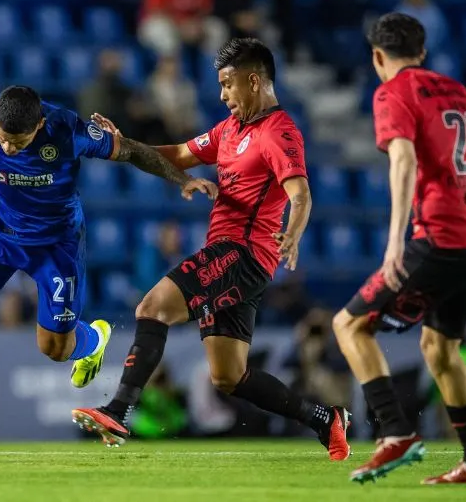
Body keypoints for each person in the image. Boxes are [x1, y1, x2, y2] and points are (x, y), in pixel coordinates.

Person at [0, 85, 218, 462]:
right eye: (3, 140)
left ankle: (93, 340)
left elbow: (132, 151)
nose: (9, 149)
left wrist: (183, 179)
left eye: (19, 142)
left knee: (54, 349)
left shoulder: (68, 130)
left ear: (40, 125)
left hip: (56, 245)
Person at [72, 38, 351, 462]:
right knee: (228, 375)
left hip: (241, 253)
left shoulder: (279, 132)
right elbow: (178, 154)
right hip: (237, 261)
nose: (221, 95)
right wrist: (122, 147)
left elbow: (301, 193)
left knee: (152, 308)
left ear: (253, 81)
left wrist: (293, 233)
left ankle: (118, 410)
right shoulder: (229, 130)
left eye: (227, 84)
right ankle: (324, 419)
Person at [332, 13, 466, 485]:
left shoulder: (392, 92)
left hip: (441, 237)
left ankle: (396, 433)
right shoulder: (458, 92)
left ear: (377, 56)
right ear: (422, 52)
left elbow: (403, 161)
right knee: (440, 349)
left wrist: (395, 243)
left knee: (349, 325)